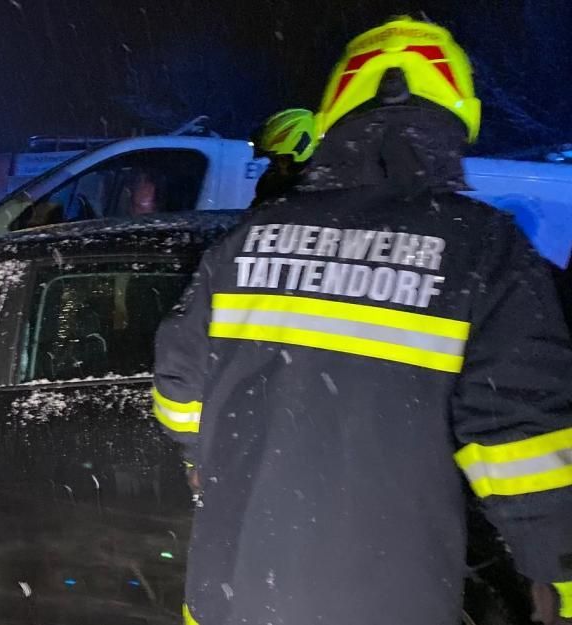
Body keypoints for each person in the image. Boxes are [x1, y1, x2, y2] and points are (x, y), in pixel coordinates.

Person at [152, 17, 572, 625]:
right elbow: (524, 438)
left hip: (231, 591)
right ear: (456, 120)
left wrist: (208, 455)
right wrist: (556, 569)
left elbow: (177, 392)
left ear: (335, 118)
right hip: (384, 598)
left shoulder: (247, 240)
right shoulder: (482, 250)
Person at [250, 108, 316, 206]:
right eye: (273, 160)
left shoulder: (305, 198)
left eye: (280, 159)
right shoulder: (273, 186)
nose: (273, 166)